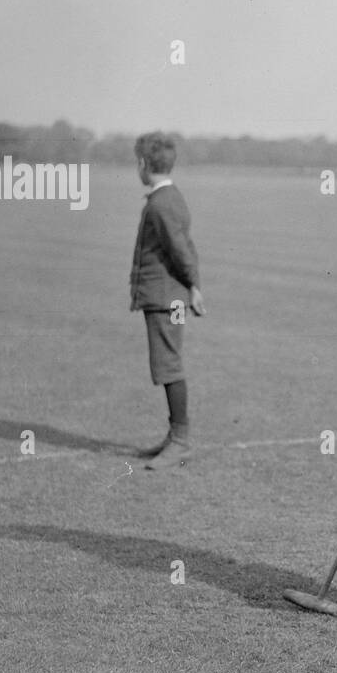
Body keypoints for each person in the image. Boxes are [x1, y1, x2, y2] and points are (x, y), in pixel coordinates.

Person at [128, 132, 206, 469]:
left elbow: (180, 249)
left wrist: (194, 286)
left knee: (168, 366)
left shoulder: (162, 203)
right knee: (167, 365)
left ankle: (180, 442)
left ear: (144, 164)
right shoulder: (168, 197)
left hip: (167, 300)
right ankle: (176, 436)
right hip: (165, 297)